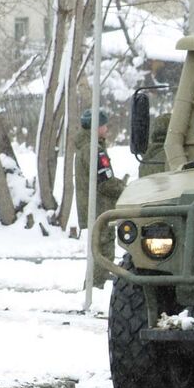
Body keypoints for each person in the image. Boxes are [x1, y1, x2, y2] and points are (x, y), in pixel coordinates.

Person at [74, 107, 127, 287]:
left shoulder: (84, 148)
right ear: (96, 127)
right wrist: (125, 189)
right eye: (104, 125)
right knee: (103, 253)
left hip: (93, 207)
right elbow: (105, 182)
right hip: (100, 208)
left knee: (99, 250)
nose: (106, 129)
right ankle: (95, 288)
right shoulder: (94, 150)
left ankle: (94, 286)